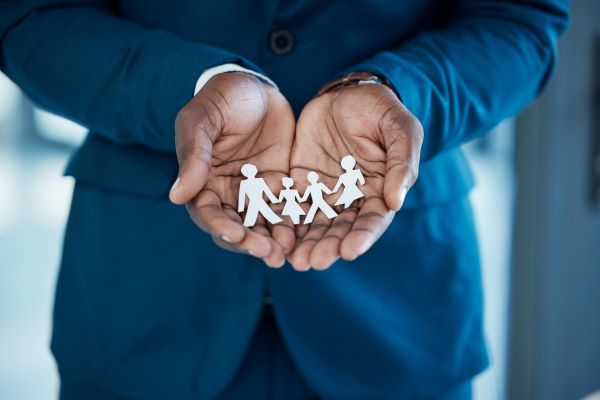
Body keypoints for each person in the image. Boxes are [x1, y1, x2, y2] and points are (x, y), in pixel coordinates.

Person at [0, 0, 569, 399]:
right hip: (142, 307)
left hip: (399, 312)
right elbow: (30, 15)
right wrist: (191, 87)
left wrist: (399, 93)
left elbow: (518, 19)